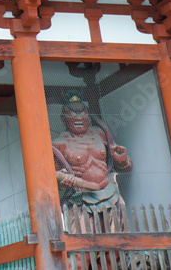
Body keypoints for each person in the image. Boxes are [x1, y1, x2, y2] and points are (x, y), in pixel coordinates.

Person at [52, 90, 132, 225]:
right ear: (63, 118)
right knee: (84, 234)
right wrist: (62, 183)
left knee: (117, 233)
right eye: (73, 112)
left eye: (82, 112)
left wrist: (122, 161)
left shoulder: (100, 134)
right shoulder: (59, 144)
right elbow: (50, 180)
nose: (79, 117)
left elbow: (126, 167)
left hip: (110, 193)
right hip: (80, 199)